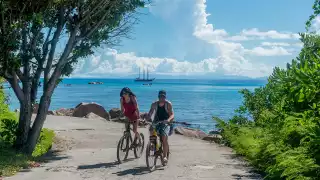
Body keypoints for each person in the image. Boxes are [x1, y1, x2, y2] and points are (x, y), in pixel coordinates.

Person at [147, 90, 174, 164]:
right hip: (157, 121)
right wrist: (147, 118)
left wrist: (168, 120)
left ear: (165, 97)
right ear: (158, 97)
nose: (161, 98)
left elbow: (172, 115)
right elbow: (150, 113)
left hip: (166, 122)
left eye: (163, 97)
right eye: (160, 96)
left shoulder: (168, 104)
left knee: (164, 138)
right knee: (151, 129)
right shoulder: (154, 104)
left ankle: (165, 156)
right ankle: (154, 144)